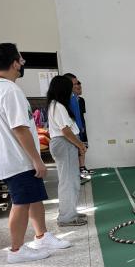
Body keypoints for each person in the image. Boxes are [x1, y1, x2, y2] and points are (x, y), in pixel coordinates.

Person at [0, 43, 71, 263]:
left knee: (33, 197)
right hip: (18, 159)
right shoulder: (10, 90)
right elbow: (20, 128)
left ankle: (41, 236)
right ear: (14, 63)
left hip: (5, 156)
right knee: (21, 202)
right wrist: (37, 160)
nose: (23, 63)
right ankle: (16, 250)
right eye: (21, 59)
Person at [47, 76, 88, 226]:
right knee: (68, 181)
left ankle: (70, 212)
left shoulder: (56, 105)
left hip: (65, 143)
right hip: (64, 143)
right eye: (70, 87)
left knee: (71, 180)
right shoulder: (58, 106)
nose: (72, 90)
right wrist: (80, 145)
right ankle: (66, 217)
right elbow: (66, 131)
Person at [63, 73, 93, 178]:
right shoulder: (66, 100)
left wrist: (81, 127)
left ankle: (82, 169)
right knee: (77, 150)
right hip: (72, 130)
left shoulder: (77, 99)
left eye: (78, 84)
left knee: (82, 147)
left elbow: (79, 115)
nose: (78, 86)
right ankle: (77, 172)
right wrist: (78, 128)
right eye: (75, 84)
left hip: (79, 128)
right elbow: (72, 117)